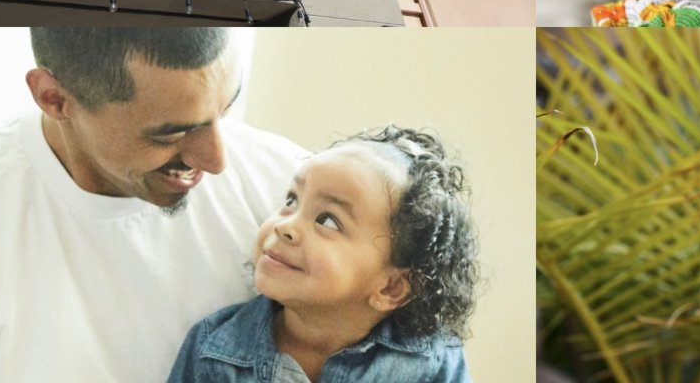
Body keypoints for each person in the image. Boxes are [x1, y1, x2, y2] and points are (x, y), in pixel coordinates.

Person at [0, 28, 308, 381]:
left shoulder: (291, 188)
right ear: (55, 98)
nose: (217, 159)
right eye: (172, 132)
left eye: (224, 111)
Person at [168, 127, 476, 382]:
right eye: (292, 200)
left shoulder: (430, 362)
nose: (286, 226)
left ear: (390, 288)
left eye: (327, 220)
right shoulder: (215, 349)